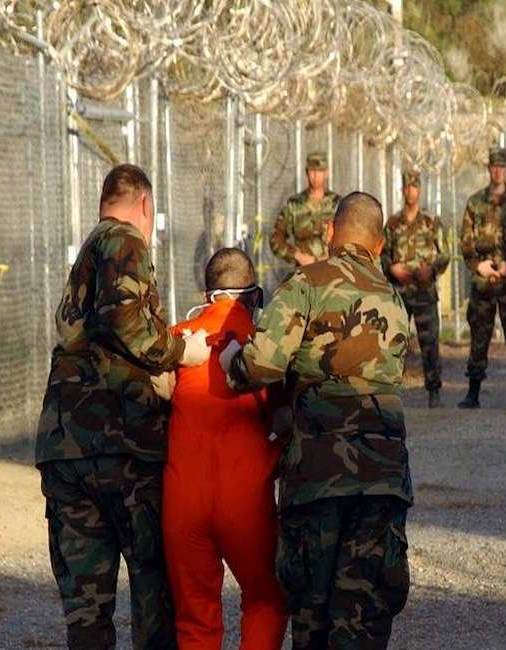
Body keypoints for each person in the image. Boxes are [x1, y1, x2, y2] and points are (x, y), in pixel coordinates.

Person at [221, 192, 412, 649]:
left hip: (318, 475)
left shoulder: (305, 284)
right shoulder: (394, 298)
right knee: (364, 613)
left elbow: (262, 365)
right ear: (380, 244)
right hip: (381, 476)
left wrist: (231, 358)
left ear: (330, 232)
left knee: (313, 611)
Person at [36, 164, 211, 649]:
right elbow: (126, 320)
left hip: (67, 447)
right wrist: (180, 353)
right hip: (123, 446)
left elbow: (81, 329)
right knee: (154, 594)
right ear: (146, 206)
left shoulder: (87, 255)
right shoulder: (125, 240)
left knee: (87, 610)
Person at [162, 248, 288, 649]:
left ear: (206, 293)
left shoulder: (176, 340)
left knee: (195, 617)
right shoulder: (264, 349)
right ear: (254, 296)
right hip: (245, 500)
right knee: (265, 598)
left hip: (183, 501)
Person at [458, 146, 506, 410]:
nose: (497, 171)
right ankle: (473, 392)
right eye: (494, 166)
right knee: (479, 336)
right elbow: (466, 243)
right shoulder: (475, 203)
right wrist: (478, 266)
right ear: (488, 168)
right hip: (483, 283)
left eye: (501, 166)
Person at [382, 169, 450, 408]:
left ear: (419, 190)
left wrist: (431, 271)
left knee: (429, 342)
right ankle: (391, 393)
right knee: (394, 343)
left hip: (423, 291)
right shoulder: (392, 224)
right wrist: (392, 269)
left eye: (414, 187)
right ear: (403, 190)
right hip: (399, 293)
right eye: (407, 187)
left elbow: (445, 255)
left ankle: (434, 391)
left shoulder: (431, 223)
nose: (410, 191)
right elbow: (382, 254)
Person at [270, 151, 342, 267]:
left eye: (320, 171)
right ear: (306, 172)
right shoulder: (295, 205)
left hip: (332, 270)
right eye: (312, 171)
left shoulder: (338, 204)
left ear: (326, 173)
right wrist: (298, 256)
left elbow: (348, 237)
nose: (315, 176)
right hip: (304, 271)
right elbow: (276, 239)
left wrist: (333, 256)